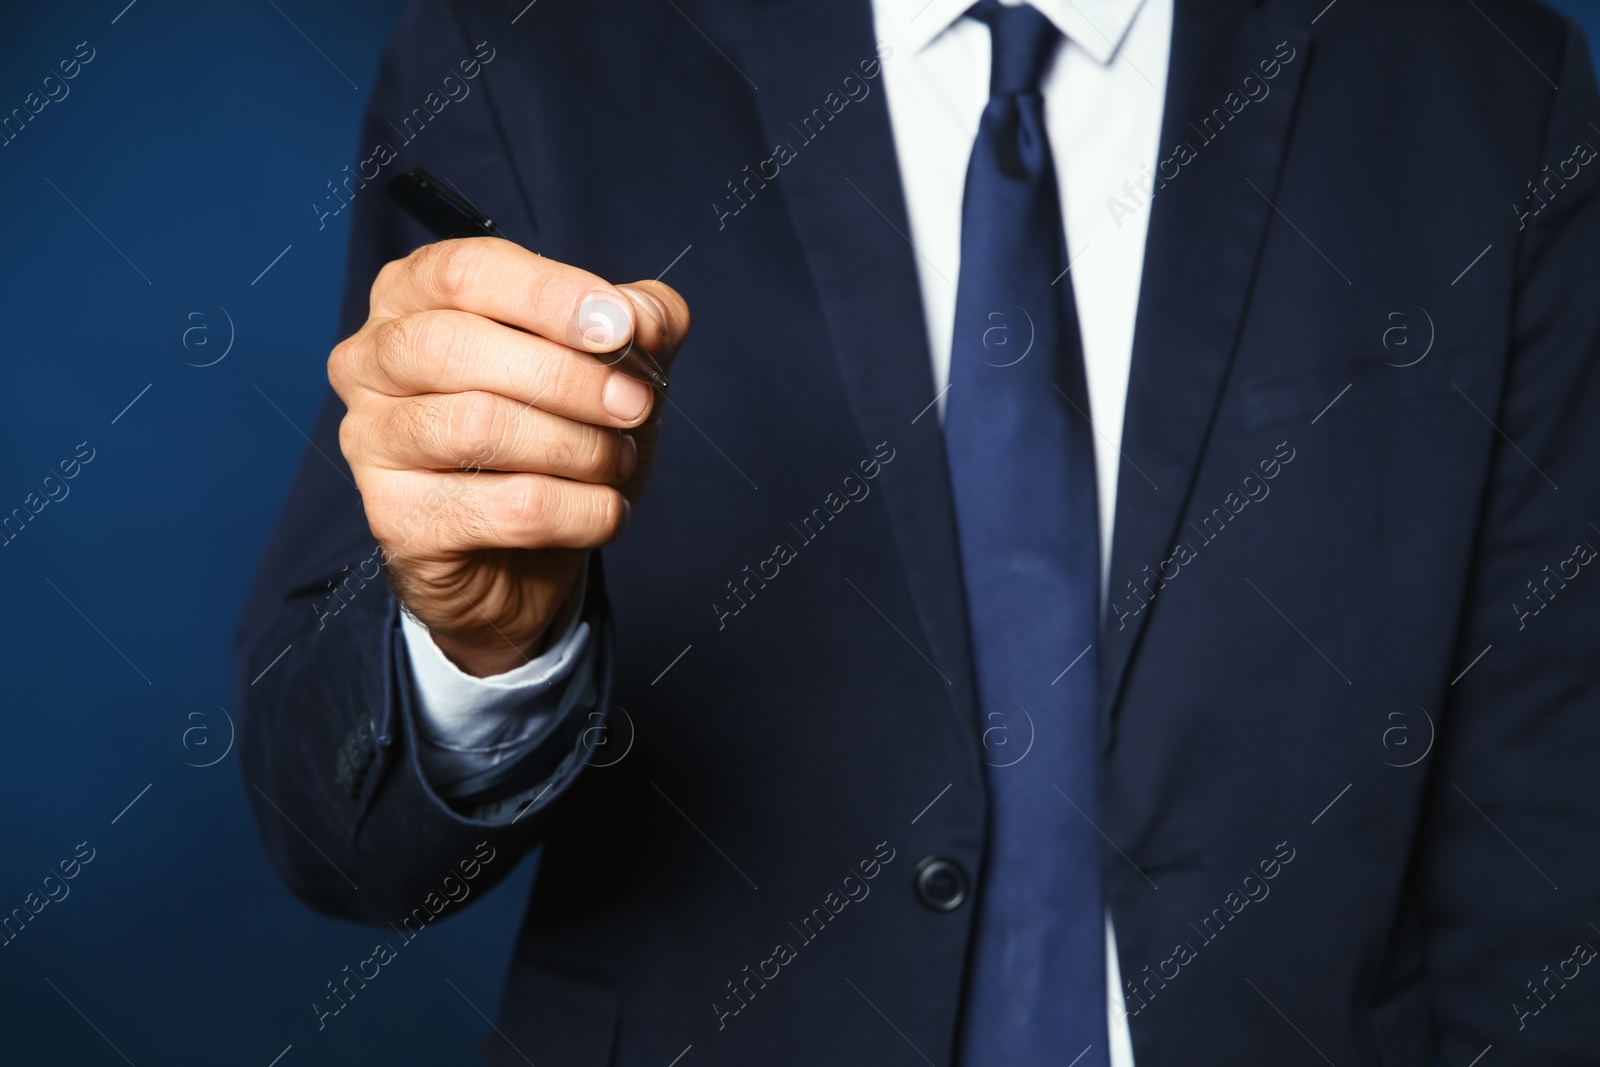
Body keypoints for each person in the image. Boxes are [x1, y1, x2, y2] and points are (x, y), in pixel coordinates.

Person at [237, 0, 1600, 1063]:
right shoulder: (524, 53)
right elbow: (342, 839)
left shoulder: (1486, 82)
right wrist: (475, 650)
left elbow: (1548, 823)